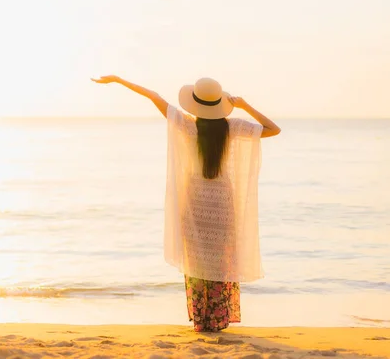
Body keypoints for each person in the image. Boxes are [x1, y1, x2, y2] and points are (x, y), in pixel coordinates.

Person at [91, 75, 281, 332]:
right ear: (220, 103)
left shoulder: (187, 125)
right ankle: (217, 318)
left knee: (197, 263)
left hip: (194, 205)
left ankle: (201, 320)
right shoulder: (232, 127)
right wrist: (245, 105)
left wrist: (118, 80)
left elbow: (153, 96)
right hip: (223, 207)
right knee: (220, 261)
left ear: (195, 103)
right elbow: (273, 129)